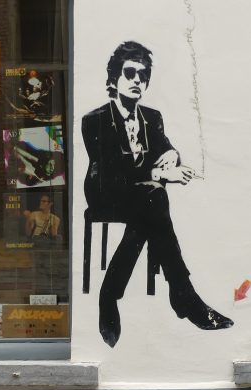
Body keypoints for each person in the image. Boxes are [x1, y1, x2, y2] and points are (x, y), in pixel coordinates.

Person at [82, 41, 232, 347]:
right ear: (114, 78)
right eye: (130, 73)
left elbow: (166, 148)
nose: (137, 80)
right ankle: (183, 295)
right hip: (106, 194)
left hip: (142, 199)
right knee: (155, 197)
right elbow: (112, 172)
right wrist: (159, 174)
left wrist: (172, 158)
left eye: (143, 75)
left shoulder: (152, 117)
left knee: (152, 203)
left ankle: (109, 296)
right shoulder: (94, 120)